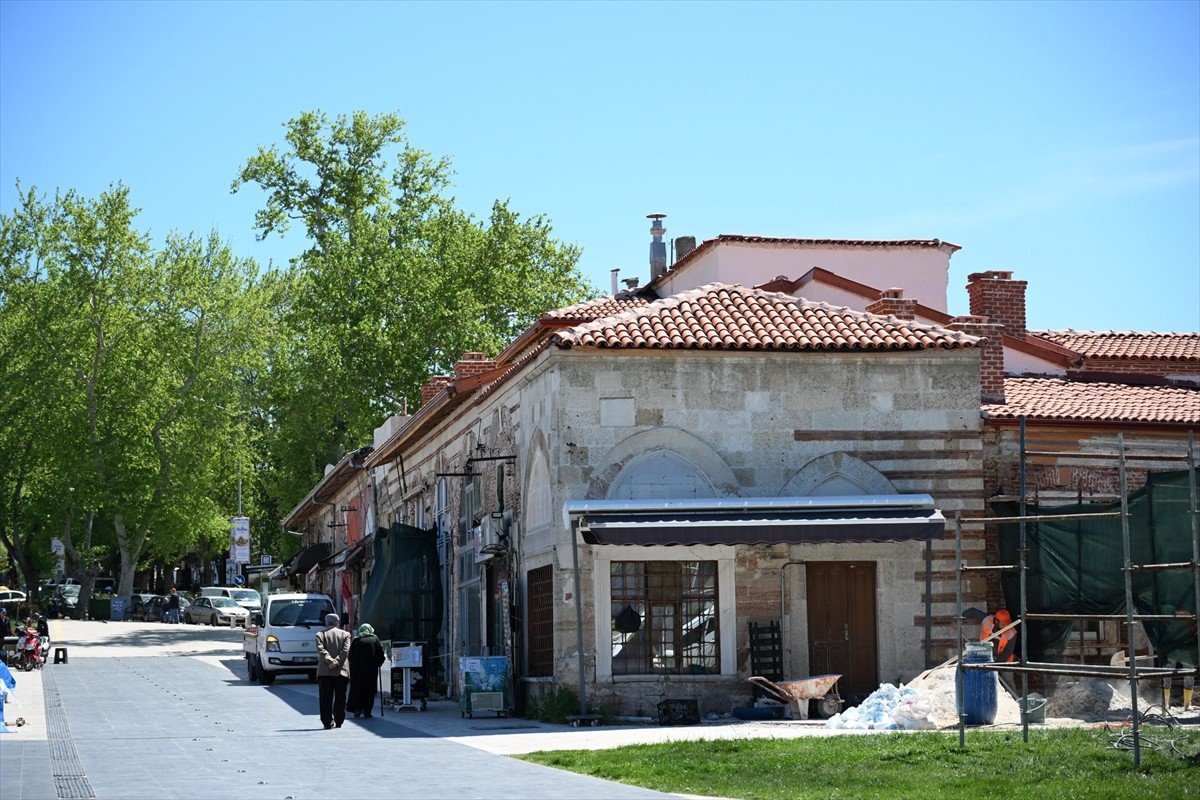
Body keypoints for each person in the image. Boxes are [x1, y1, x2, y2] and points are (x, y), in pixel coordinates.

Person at [315, 613, 351, 729]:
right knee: (340, 697)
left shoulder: (320, 635)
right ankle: (339, 720)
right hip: (341, 671)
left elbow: (321, 650)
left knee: (325, 698)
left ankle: (327, 722)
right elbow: (345, 651)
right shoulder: (346, 634)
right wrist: (337, 662)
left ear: (326, 623)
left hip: (325, 672)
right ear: (337, 623)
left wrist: (330, 661)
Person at [346, 623, 386, 719]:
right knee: (369, 690)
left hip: (357, 671)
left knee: (357, 689)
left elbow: (350, 656)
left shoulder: (356, 640)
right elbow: (380, 655)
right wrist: (378, 663)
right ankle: (367, 711)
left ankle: (357, 709)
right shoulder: (375, 639)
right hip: (371, 670)